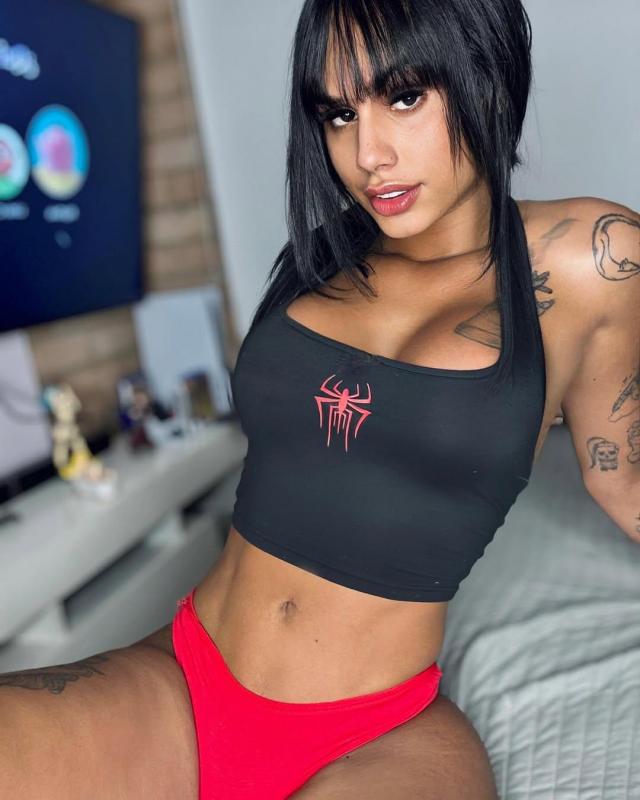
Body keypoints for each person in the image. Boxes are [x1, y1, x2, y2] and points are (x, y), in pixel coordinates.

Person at [2, 1, 638, 798]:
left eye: (404, 96)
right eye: (338, 113)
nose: (367, 154)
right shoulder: (322, 259)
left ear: (486, 73)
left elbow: (622, 482)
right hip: (185, 680)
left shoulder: (590, 260)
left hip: (379, 732)